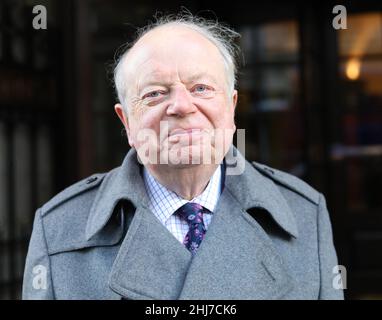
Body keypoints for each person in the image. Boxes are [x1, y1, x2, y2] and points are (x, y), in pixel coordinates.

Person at [23, 13, 344, 300]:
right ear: (127, 122)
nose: (181, 105)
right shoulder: (59, 229)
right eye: (155, 93)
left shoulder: (304, 214)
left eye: (201, 88)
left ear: (231, 108)